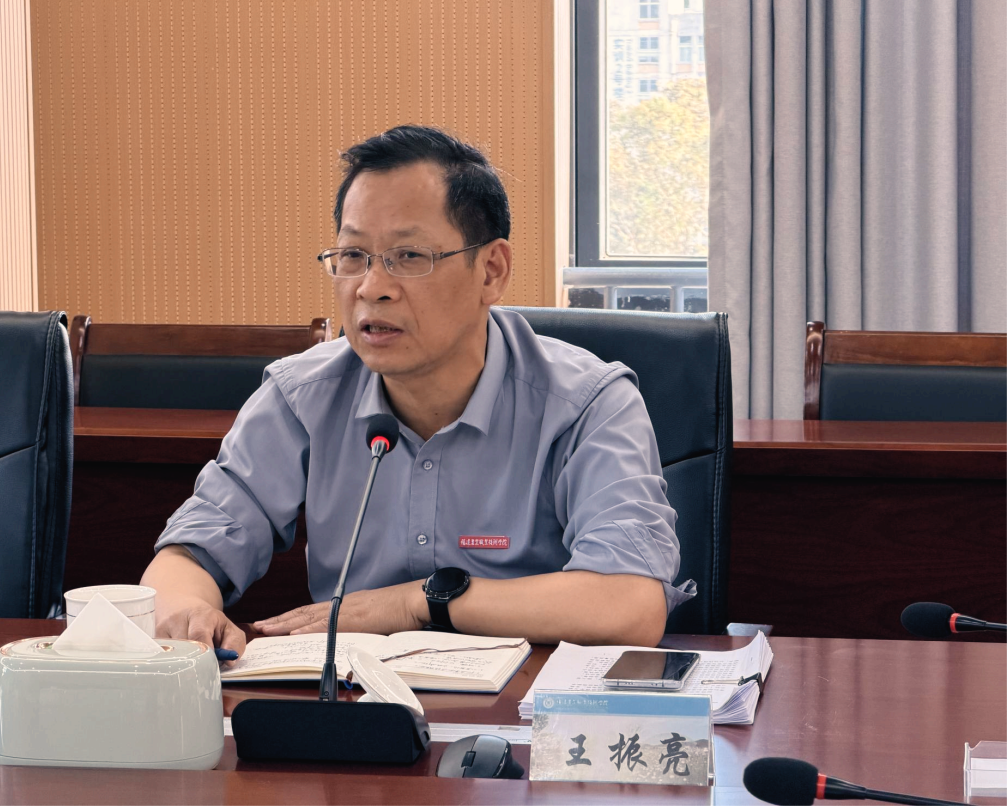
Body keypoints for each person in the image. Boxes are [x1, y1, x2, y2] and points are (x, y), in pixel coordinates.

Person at [141, 125, 694, 658]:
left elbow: (629, 604)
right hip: (355, 703)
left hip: (524, 705)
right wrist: (187, 610)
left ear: (491, 271)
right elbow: (190, 554)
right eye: (352, 256)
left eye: (409, 257)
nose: (371, 288)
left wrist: (415, 603)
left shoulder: (587, 403)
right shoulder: (300, 396)